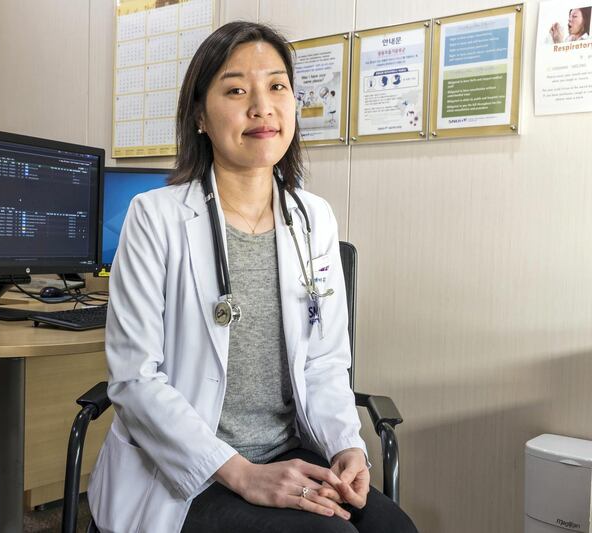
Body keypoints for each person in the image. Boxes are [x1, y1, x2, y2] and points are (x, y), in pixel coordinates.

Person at [87, 21, 418, 533]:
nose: (261, 106)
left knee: (395, 530)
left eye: (277, 86)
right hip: (193, 470)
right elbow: (134, 378)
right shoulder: (155, 217)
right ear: (200, 114)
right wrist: (242, 474)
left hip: (290, 450)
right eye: (237, 89)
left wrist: (347, 444)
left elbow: (325, 361)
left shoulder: (313, 218)